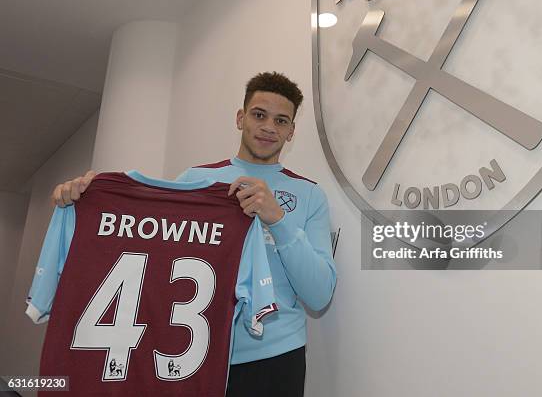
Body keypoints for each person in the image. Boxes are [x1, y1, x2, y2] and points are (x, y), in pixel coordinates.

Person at [51, 71, 337, 397]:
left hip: (274, 357)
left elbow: (319, 294)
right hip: (191, 351)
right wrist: (85, 200)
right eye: (259, 115)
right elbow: (142, 244)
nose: (269, 127)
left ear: (291, 132)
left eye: (281, 121)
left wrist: (277, 219)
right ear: (241, 118)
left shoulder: (310, 195)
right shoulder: (195, 180)